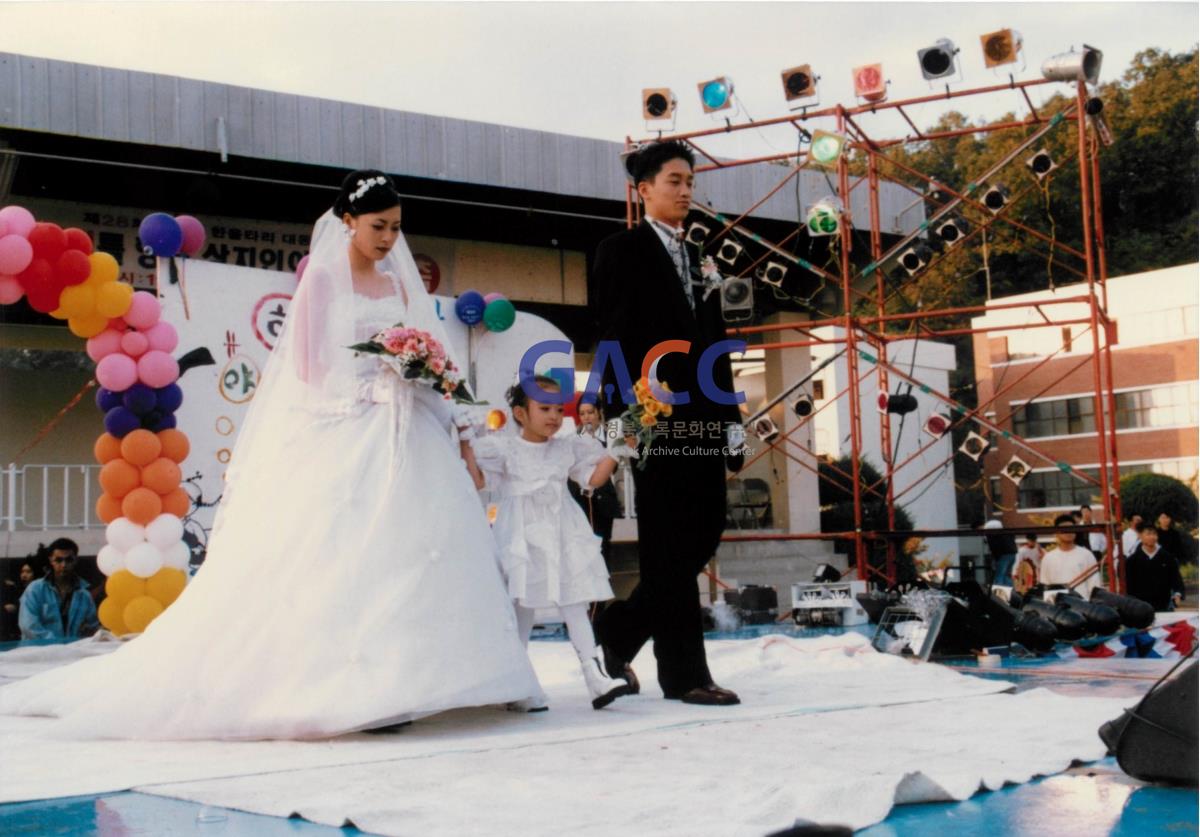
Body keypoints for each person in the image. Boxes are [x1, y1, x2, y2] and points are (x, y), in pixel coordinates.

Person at [0, 170, 540, 739]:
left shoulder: (402, 286)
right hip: (348, 423)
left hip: (410, 428)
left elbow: (437, 357)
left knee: (419, 549)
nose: (388, 239)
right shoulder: (326, 282)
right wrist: (373, 375)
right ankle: (361, 689)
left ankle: (428, 678)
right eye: (379, 226)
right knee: (343, 551)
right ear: (349, 222)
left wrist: (433, 397)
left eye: (397, 228)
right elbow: (307, 367)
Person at [590, 141, 743, 707]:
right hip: (654, 421)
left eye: (689, 181)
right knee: (667, 547)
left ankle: (620, 629)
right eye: (674, 180)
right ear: (644, 189)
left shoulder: (702, 255)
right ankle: (684, 676)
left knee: (703, 533)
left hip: (706, 418)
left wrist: (734, 427)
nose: (685, 190)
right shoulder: (620, 250)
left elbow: (720, 349)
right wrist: (625, 425)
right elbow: (611, 338)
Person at [461, 375, 635, 710]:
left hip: (562, 528)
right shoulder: (504, 447)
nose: (554, 416)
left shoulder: (568, 446)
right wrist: (466, 444)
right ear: (520, 413)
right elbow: (480, 481)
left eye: (558, 409)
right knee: (522, 607)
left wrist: (618, 449)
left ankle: (594, 676)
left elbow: (593, 479)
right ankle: (518, 685)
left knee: (575, 599)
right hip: (522, 532)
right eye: (544, 408)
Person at [568, 400, 621, 562]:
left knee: (603, 544)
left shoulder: (610, 435)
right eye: (582, 414)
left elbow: (612, 466)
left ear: (599, 412)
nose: (586, 417)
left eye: (590, 412)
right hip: (578, 496)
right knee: (580, 543)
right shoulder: (573, 438)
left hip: (603, 496)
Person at [16, 540, 98, 641]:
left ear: (76, 560)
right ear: (51, 560)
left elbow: (92, 627)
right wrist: (59, 645)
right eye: (59, 560)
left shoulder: (85, 595)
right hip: (38, 653)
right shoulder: (34, 589)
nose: (64, 565)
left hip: (73, 653)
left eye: (69, 560)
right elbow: (28, 626)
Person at [1124, 522, 1185, 612]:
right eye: (1148, 534)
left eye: (1154, 534)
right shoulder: (1132, 561)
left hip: (1164, 606)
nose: (1152, 537)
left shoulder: (1168, 558)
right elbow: (1128, 586)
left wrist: (1177, 594)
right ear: (1140, 536)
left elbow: (1176, 580)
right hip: (1140, 608)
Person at [1039, 514, 1102, 598]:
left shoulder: (1086, 555)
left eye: (1071, 529)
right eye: (1064, 529)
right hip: (1057, 608)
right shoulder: (1048, 558)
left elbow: (1095, 585)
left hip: (1082, 606)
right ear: (1057, 533)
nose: (1069, 532)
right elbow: (1045, 586)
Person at [1, 561, 36, 641]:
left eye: (28, 572)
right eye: (22, 572)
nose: (24, 575)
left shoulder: (38, 592)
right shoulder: (14, 590)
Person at [983, 514, 1018, 587]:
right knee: (1006, 575)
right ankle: (1010, 591)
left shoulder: (991, 536)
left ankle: (999, 592)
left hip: (1003, 555)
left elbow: (994, 548)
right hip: (1012, 553)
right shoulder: (1005, 533)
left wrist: (996, 559)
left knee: (999, 575)